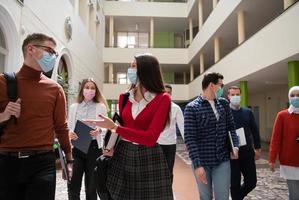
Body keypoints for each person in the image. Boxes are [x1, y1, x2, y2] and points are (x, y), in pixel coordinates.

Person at [84, 53, 173, 200]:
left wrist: (115, 128)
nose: (130, 70)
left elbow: (151, 138)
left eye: (133, 66)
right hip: (122, 153)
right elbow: (119, 126)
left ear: (146, 70)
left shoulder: (162, 98)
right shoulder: (124, 97)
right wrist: (109, 145)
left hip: (149, 156)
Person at [0, 33, 73, 200]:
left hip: (43, 163)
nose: (53, 57)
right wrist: (4, 115)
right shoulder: (3, 82)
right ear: (31, 49)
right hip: (7, 162)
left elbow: (61, 127)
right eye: (49, 51)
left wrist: (69, 160)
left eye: (55, 53)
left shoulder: (55, 89)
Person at [184, 72, 239, 200]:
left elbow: (231, 127)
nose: (222, 88)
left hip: (222, 160)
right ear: (211, 85)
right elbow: (190, 138)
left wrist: (235, 145)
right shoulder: (192, 108)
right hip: (202, 161)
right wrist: (197, 166)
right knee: (205, 197)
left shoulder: (224, 104)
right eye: (221, 85)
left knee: (223, 196)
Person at [67, 78, 109, 200]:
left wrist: (99, 130)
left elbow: (106, 126)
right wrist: (70, 133)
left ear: (96, 91)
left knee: (91, 186)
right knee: (73, 185)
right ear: (82, 90)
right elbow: (69, 127)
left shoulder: (100, 106)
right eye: (87, 87)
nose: (89, 90)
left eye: (92, 88)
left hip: (94, 148)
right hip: (77, 148)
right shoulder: (74, 107)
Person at [227, 86, 261, 200]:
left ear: (241, 96)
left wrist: (258, 148)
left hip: (247, 152)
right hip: (232, 154)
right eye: (233, 95)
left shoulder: (248, 112)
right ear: (228, 96)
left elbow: (255, 131)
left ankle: (237, 197)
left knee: (252, 182)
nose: (235, 97)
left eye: (237, 94)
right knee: (234, 183)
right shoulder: (225, 113)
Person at [269, 86, 299, 200]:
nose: (295, 97)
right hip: (289, 162)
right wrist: (272, 159)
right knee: (295, 194)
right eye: (292, 95)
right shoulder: (282, 115)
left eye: (298, 95)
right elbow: (276, 138)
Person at [158, 84, 184, 184]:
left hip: (170, 144)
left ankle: (168, 192)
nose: (166, 94)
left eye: (168, 92)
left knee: (169, 171)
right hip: (157, 144)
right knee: (158, 171)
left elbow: (182, 127)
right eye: (164, 92)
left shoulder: (176, 108)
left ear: (171, 94)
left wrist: (190, 145)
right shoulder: (155, 107)